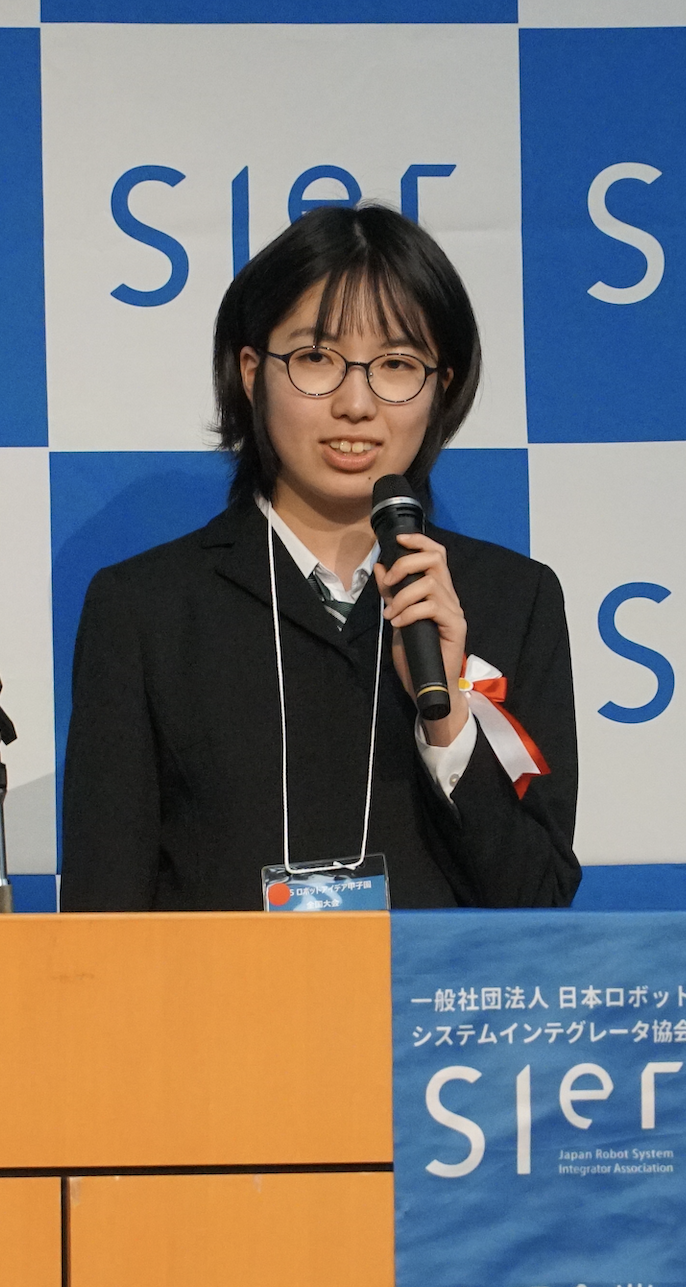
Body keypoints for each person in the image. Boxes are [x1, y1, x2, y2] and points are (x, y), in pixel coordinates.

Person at [59, 204, 580, 911]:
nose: (356, 403)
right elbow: (102, 914)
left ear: (442, 385)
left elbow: (539, 902)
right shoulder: (146, 609)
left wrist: (448, 720)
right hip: (223, 988)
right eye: (316, 359)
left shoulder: (511, 600)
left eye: (397, 365)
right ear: (252, 371)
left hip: (427, 988)